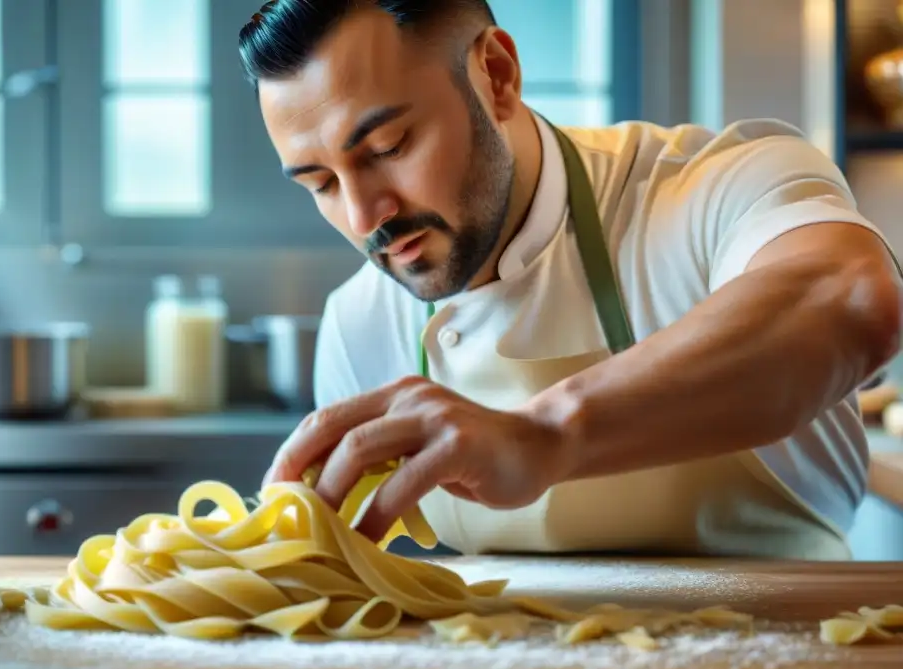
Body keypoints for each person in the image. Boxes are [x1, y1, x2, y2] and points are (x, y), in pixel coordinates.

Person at [239, 0, 903, 560]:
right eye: (320, 184)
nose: (363, 217)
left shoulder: (713, 185)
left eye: (388, 148)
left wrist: (547, 434)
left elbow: (853, 296)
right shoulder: (360, 324)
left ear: (495, 75)